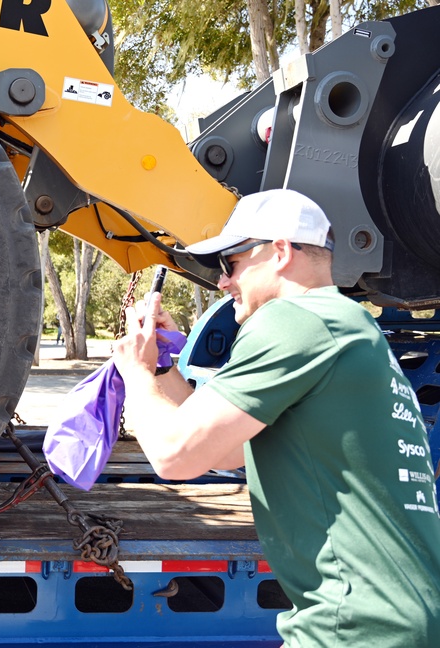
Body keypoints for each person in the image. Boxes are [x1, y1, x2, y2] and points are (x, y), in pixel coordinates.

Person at [111, 189, 440, 646]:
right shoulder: (345, 325)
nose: (223, 282)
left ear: (280, 251)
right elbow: (222, 450)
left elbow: (174, 456)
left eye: (230, 263)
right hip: (389, 618)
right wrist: (164, 371)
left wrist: (135, 372)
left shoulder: (294, 319)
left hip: (355, 626)